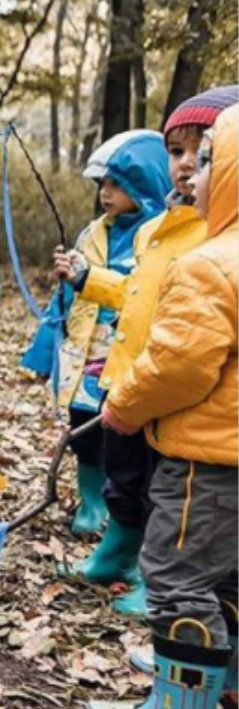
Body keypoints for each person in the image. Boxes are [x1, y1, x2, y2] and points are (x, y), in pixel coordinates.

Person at [83, 103, 239, 709]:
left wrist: (124, 403)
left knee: (175, 572)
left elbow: (178, 364)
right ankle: (217, 682)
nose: (194, 172)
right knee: (225, 576)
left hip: (205, 455)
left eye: (208, 160)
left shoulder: (210, 264)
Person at [53, 89, 237, 617]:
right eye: (175, 152)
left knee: (168, 494)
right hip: (129, 372)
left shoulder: (215, 235)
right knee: (124, 477)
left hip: (177, 396)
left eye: (199, 152)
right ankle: (116, 553)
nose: (184, 165)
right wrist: (91, 280)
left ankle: (153, 580)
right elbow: (138, 291)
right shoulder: (158, 229)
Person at [24, 130, 170, 616]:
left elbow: (139, 293)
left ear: (145, 184)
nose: (105, 193)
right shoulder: (93, 233)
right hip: (83, 356)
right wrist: (44, 351)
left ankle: (140, 556)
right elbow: (63, 301)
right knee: (86, 432)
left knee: (132, 450)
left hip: (127, 360)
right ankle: (94, 509)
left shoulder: (161, 234)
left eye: (116, 183)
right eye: (101, 183)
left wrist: (90, 278)